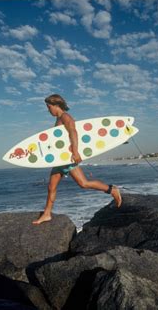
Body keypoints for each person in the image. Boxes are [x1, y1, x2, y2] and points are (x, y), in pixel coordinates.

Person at [32, 94, 122, 225]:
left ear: (56, 105)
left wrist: (75, 152)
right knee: (51, 187)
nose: (48, 110)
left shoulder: (65, 117)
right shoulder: (58, 119)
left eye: (49, 107)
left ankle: (112, 189)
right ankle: (47, 214)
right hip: (60, 160)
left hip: (67, 159)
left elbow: (73, 132)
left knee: (84, 183)